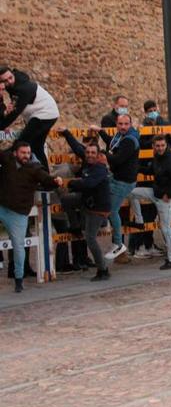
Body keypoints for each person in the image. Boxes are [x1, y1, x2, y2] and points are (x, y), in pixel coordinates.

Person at [0, 141, 62, 292]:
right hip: (1, 206)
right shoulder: (7, 159)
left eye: (28, 153)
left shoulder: (34, 168)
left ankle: (18, 280)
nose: (26, 156)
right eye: (23, 153)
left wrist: (55, 181)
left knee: (19, 246)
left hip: (18, 213)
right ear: (15, 153)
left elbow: (46, 179)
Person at [126, 135, 171, 270]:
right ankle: (139, 221)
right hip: (155, 192)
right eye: (157, 146)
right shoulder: (157, 157)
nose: (160, 148)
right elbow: (152, 171)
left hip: (165, 199)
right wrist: (137, 168)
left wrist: (169, 194)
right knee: (132, 192)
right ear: (153, 146)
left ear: (166, 146)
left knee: (166, 229)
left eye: (162, 146)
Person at [59, 132, 113, 281]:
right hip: (87, 202)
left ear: (97, 154)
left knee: (90, 238)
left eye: (92, 153)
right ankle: (75, 225)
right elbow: (77, 147)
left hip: (98, 208)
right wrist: (66, 133)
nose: (89, 155)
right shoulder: (87, 161)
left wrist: (71, 183)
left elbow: (88, 184)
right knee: (67, 200)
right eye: (87, 152)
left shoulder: (99, 168)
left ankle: (103, 270)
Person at [92, 114, 140, 260]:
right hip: (116, 177)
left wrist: (102, 154)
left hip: (124, 181)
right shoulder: (120, 136)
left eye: (126, 124)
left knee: (112, 210)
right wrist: (100, 131)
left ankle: (118, 243)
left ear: (130, 124)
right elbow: (112, 143)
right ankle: (106, 229)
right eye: (120, 124)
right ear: (116, 124)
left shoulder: (129, 140)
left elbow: (118, 159)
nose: (123, 126)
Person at [0, 66, 60, 170]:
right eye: (5, 80)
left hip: (44, 114)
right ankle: (46, 180)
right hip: (42, 114)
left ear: (13, 74)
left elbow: (14, 114)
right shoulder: (14, 84)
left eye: (10, 77)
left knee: (20, 145)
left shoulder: (23, 89)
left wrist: (1, 125)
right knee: (37, 148)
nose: (9, 81)